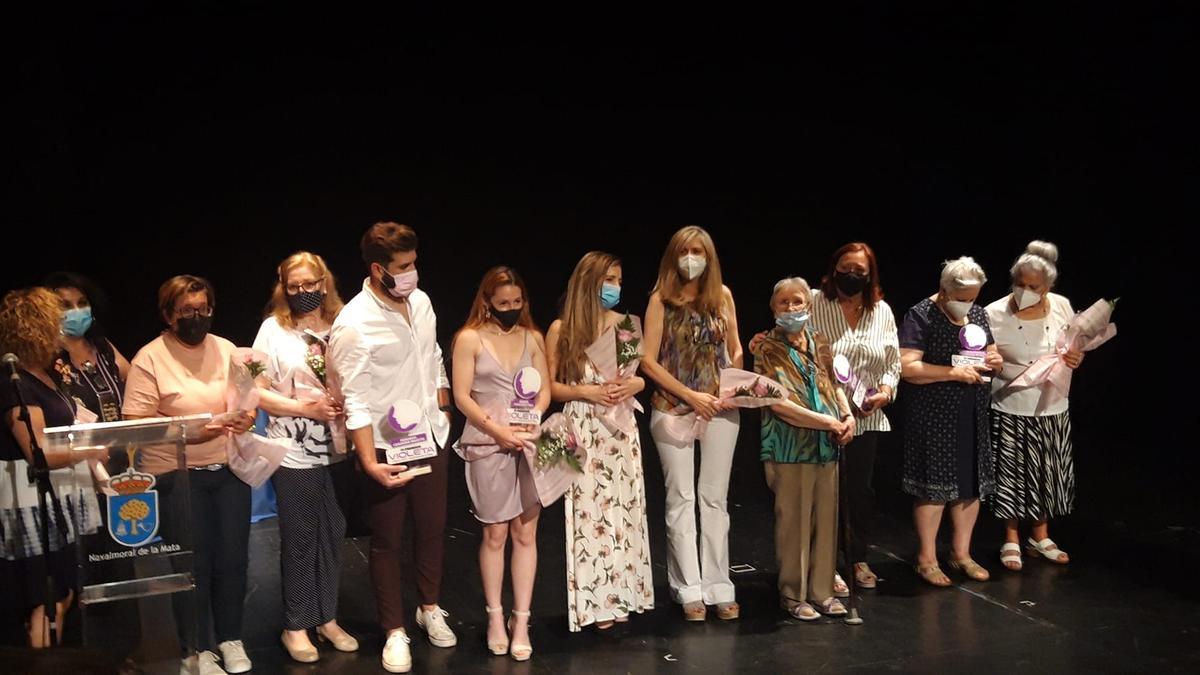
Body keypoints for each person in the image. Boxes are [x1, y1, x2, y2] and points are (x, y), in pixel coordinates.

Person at [328, 222, 456, 674]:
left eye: (414, 263)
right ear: (378, 269)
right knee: (386, 539)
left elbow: (434, 357)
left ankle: (429, 606)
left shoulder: (420, 303)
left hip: (430, 435)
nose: (413, 273)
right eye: (403, 267)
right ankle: (394, 630)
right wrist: (368, 460)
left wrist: (443, 407)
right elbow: (355, 399)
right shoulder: (354, 323)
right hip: (385, 446)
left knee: (433, 527)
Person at [121, 275, 257, 675]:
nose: (197, 317)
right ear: (168, 314)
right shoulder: (150, 357)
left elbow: (246, 399)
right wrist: (191, 430)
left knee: (233, 559)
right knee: (194, 565)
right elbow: (135, 424)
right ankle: (194, 650)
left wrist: (246, 417)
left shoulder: (229, 349)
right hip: (176, 476)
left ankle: (230, 638)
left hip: (229, 469)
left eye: (203, 309)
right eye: (186, 311)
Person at [251, 252, 358, 662]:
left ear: (324, 282)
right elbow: (255, 389)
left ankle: (326, 617)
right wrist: (304, 409)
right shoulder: (272, 331)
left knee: (332, 534)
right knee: (299, 539)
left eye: (309, 284)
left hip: (339, 448)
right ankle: (296, 625)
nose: (302, 292)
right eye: (293, 286)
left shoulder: (344, 323)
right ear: (283, 286)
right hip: (293, 451)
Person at [545, 251, 654, 632]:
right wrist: (589, 392)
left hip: (619, 429)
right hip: (582, 427)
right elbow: (551, 388)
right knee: (589, 514)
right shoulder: (563, 329)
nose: (615, 287)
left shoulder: (625, 326)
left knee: (623, 510)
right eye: (609, 279)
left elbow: (636, 376)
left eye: (619, 281)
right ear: (588, 281)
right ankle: (593, 602)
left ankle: (624, 593)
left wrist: (637, 383)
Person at [641, 225, 744, 621]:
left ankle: (720, 584)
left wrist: (732, 383)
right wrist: (690, 396)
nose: (691, 257)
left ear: (709, 256)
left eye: (698, 250)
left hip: (720, 407)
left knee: (714, 499)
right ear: (673, 256)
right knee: (680, 498)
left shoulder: (723, 296)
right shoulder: (660, 300)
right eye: (684, 250)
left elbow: (734, 345)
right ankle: (688, 588)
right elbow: (647, 360)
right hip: (673, 407)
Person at [452, 266, 551, 661]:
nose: (511, 308)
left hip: (527, 444)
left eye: (517, 302)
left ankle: (521, 620)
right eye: (503, 303)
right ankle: (494, 617)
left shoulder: (534, 338)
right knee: (494, 535)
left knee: (525, 535)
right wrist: (497, 430)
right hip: (488, 444)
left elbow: (543, 392)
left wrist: (532, 421)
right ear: (487, 302)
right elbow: (463, 396)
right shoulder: (469, 339)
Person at [0, 288, 104, 648]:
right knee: (49, 597)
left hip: (60, 492)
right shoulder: (15, 381)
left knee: (64, 591)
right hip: (32, 500)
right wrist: (89, 450)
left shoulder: (43, 374)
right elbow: (37, 451)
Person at [752, 277, 856, 620]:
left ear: (809, 307)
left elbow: (834, 384)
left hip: (826, 446)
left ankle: (823, 591)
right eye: (784, 303)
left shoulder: (820, 341)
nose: (792, 308)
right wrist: (826, 422)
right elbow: (778, 403)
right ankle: (793, 595)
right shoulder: (766, 347)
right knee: (794, 521)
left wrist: (846, 415)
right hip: (788, 445)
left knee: (826, 521)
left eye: (798, 302)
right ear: (773, 308)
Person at [898, 257, 1003, 587]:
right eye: (962, 297)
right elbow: (907, 367)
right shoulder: (921, 315)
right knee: (935, 488)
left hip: (971, 410)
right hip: (934, 412)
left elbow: (991, 353)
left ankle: (962, 553)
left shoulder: (979, 314)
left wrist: (995, 360)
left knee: (969, 485)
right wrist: (950, 373)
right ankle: (926, 559)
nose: (968, 304)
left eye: (973, 297)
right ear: (944, 290)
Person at [985, 241, 1083, 570]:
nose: (1025, 291)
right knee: (1011, 474)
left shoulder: (1061, 306)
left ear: (1048, 288)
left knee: (1047, 471)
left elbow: (1074, 345)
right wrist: (992, 362)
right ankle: (1011, 538)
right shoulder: (994, 313)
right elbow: (984, 356)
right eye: (1020, 284)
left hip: (1052, 403)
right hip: (1011, 402)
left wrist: (1076, 356)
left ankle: (1040, 536)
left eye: (1033, 287)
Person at [45, 272, 131, 424]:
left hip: (123, 441)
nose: (77, 310)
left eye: (83, 303)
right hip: (77, 444)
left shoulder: (102, 346)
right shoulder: (46, 357)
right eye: (66, 306)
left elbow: (138, 385)